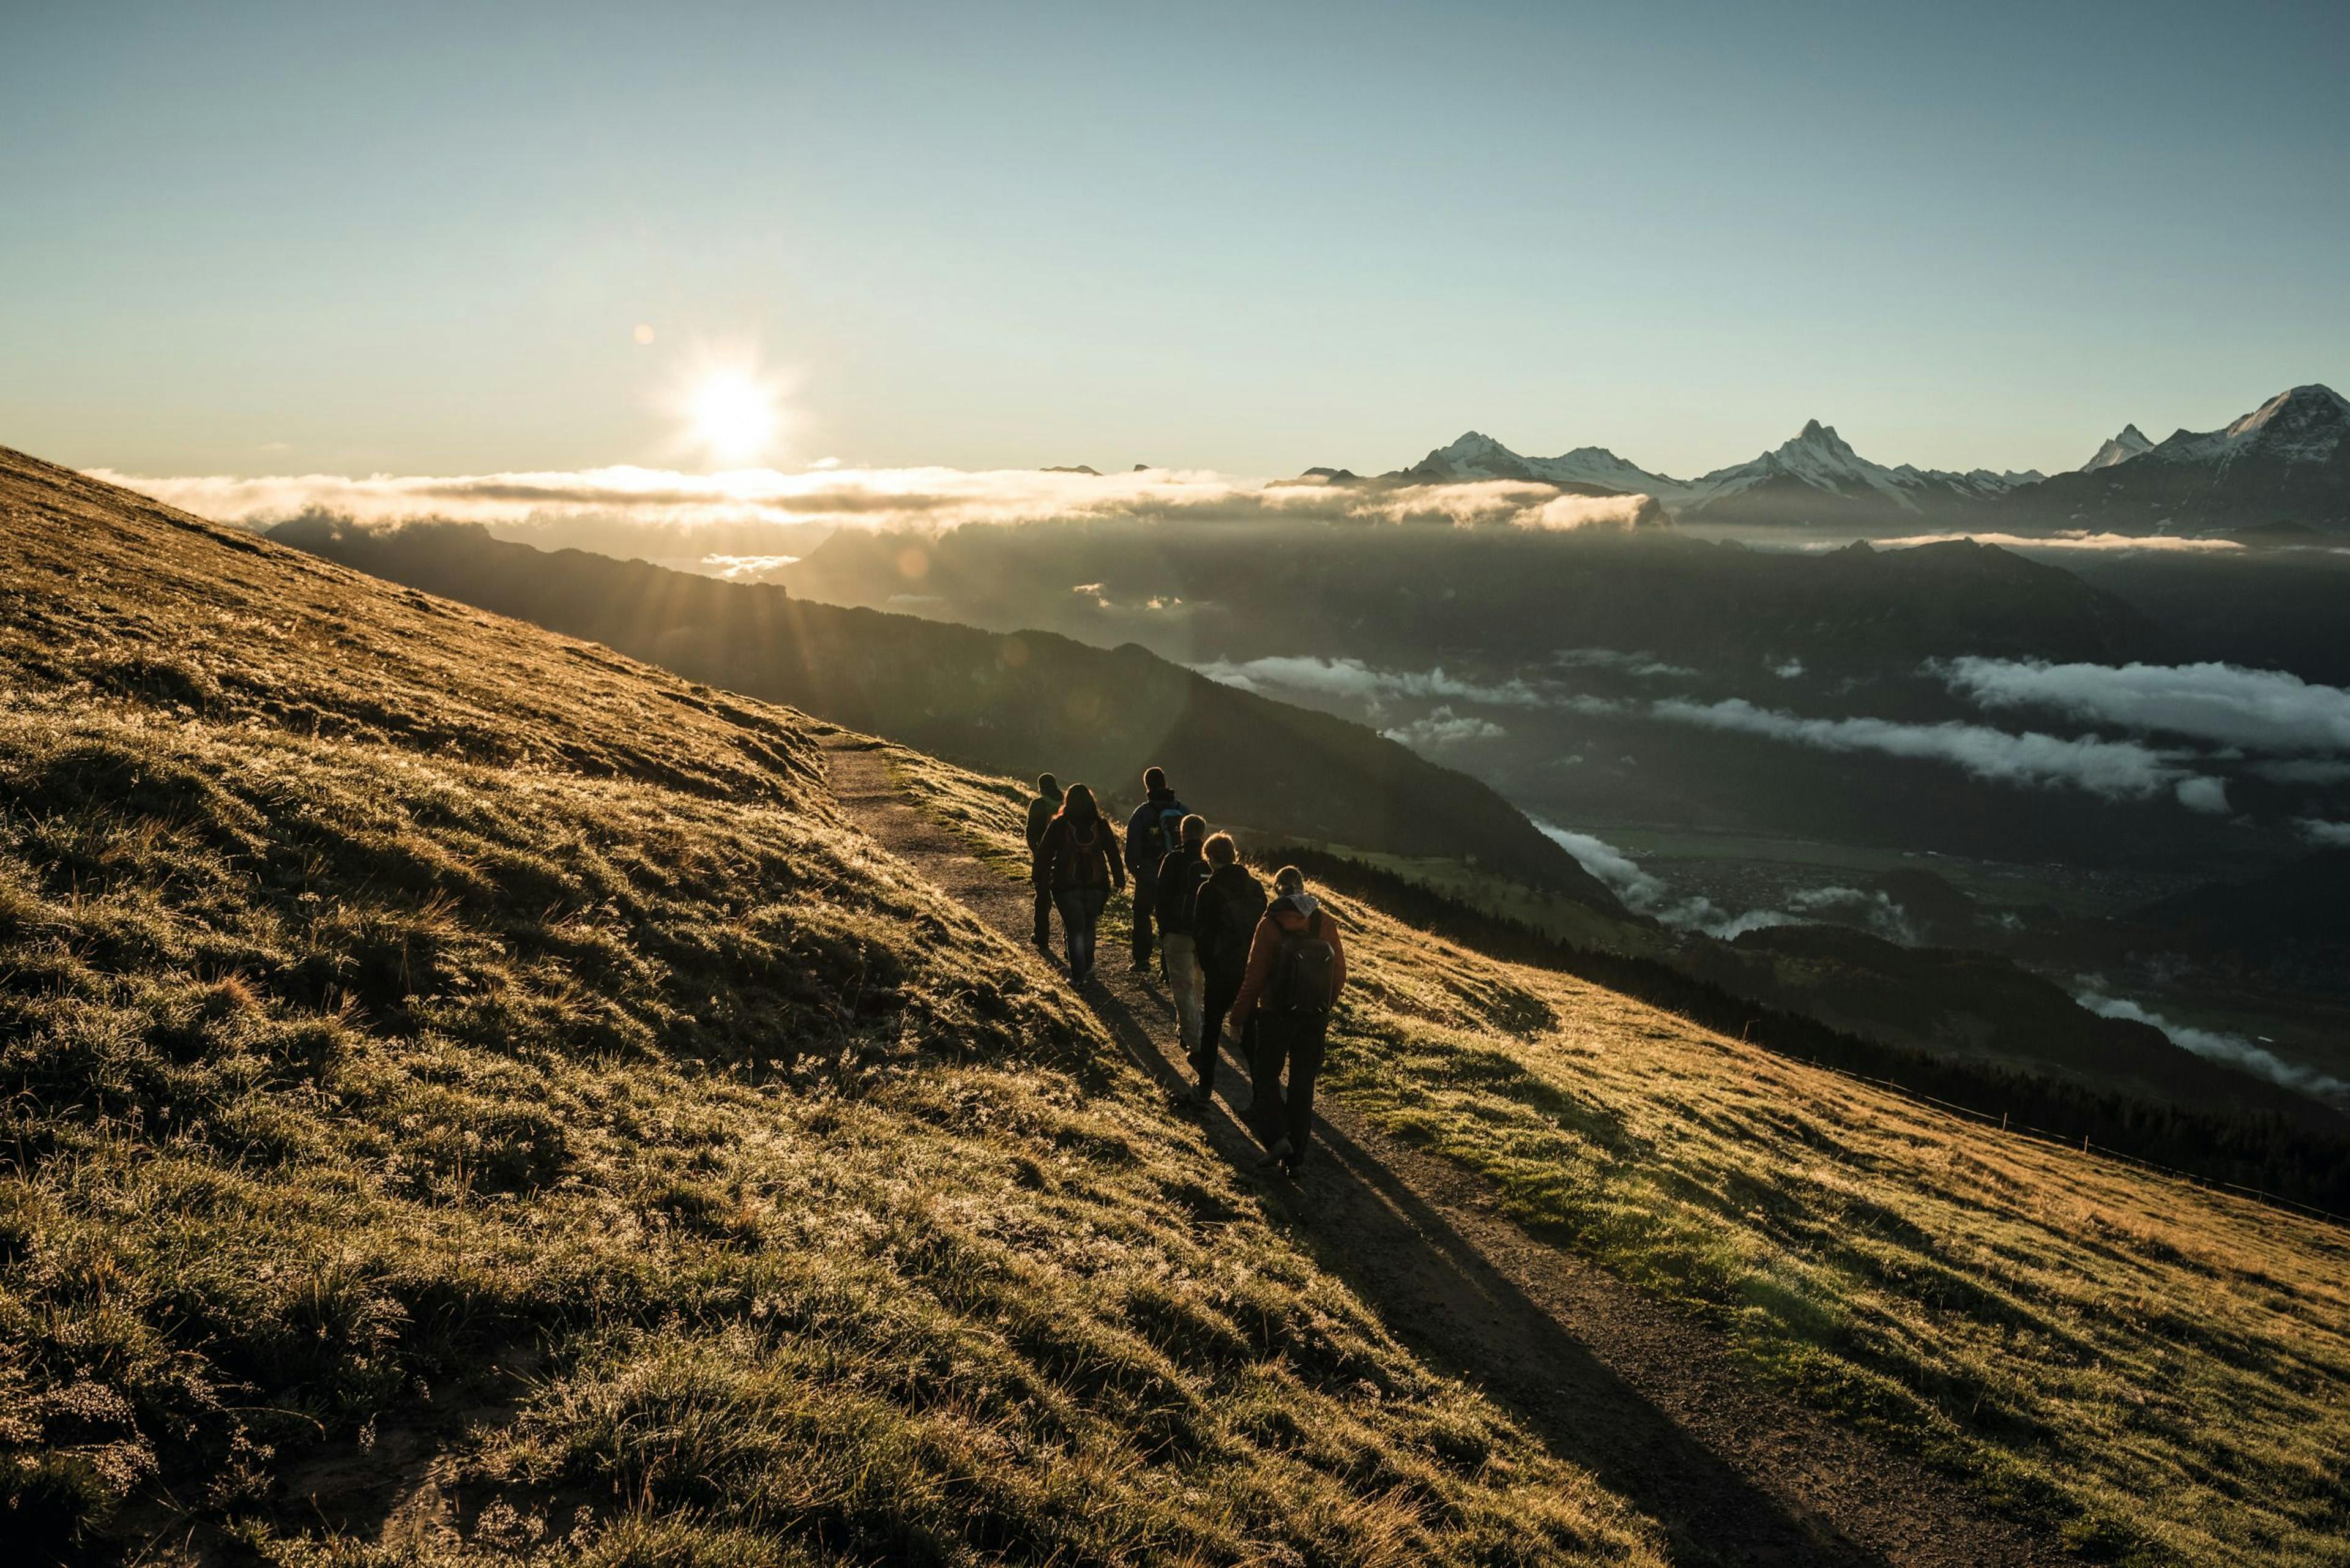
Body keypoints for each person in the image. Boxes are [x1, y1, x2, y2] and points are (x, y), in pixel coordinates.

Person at [1228, 865, 1346, 1179]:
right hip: (1314, 1017)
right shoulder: (1324, 920)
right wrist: (1324, 1005)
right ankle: (1297, 1158)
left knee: (1266, 1075)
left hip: (1275, 1015)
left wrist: (1239, 1017)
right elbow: (1339, 971)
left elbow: (1254, 976)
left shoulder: (1270, 923)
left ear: (1278, 890)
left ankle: (1278, 1137)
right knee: (1303, 1084)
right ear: (1304, 888)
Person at [1192, 832, 1266, 1105]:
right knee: (1250, 1033)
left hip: (1221, 970)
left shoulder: (1209, 890)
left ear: (1210, 858)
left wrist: (1208, 964)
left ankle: (1205, 1088)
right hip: (1250, 969)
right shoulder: (1256, 888)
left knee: (1211, 1029)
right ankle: (1261, 1095)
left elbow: (1202, 933)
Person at [1032, 783, 1124, 984]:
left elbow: (1044, 854)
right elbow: (1113, 854)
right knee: (1089, 926)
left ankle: (1078, 976)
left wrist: (1039, 877)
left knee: (1074, 929)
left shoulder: (1059, 824)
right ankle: (1088, 965)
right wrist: (1119, 879)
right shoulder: (1101, 825)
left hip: (1066, 886)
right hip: (1096, 885)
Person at [1152, 815, 1212, 1097]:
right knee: (1198, 985)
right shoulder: (1210, 863)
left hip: (1177, 932)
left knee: (1182, 985)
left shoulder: (1173, 860)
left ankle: (1194, 1042)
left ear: (1182, 832)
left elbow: (1161, 896)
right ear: (1202, 834)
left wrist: (1163, 929)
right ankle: (1191, 1030)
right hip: (1204, 934)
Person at [1123, 766, 1189, 971]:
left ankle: (1142, 961)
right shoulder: (1183, 811)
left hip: (1150, 874)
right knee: (1170, 919)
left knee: (1142, 914)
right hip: (1178, 876)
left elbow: (1132, 848)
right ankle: (1167, 965)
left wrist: (1139, 872)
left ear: (1147, 785)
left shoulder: (1143, 813)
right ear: (1165, 783)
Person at [1022, 772, 1064, 952]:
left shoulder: (1038, 805)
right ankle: (1069, 943)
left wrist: (1038, 855)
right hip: (1065, 858)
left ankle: (1041, 937)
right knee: (1065, 901)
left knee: (1043, 899)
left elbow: (1031, 834)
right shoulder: (1065, 804)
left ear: (1041, 787)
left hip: (1045, 859)